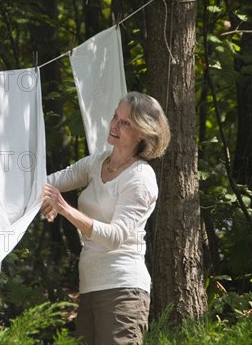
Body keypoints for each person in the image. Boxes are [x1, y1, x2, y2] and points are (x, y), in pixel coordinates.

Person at [41, 91, 171, 345]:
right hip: (89, 286)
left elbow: (114, 237)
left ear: (143, 133)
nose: (114, 125)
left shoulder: (140, 179)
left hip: (123, 290)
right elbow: (48, 183)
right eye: (115, 117)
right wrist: (45, 198)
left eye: (125, 123)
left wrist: (63, 208)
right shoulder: (97, 162)